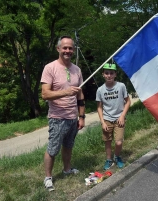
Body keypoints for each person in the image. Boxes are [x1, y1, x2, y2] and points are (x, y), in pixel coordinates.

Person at [40, 36, 85, 192]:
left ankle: (67, 169)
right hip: (57, 118)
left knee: (68, 146)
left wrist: (82, 116)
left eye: (70, 48)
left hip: (73, 117)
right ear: (58, 49)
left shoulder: (77, 70)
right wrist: (65, 92)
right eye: (64, 48)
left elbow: (80, 95)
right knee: (53, 149)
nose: (68, 51)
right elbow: (45, 94)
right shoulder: (50, 68)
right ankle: (48, 177)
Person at [96, 63, 131, 170]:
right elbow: (99, 107)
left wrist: (122, 116)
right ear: (103, 75)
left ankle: (117, 156)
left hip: (119, 118)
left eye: (111, 73)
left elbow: (128, 101)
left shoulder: (121, 86)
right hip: (107, 119)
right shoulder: (100, 90)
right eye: (107, 73)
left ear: (115, 74)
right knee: (107, 141)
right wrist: (102, 122)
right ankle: (108, 159)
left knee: (119, 142)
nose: (109, 75)